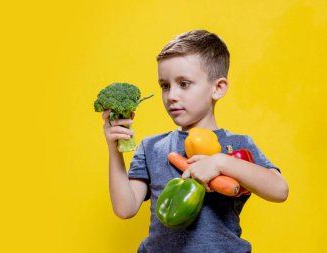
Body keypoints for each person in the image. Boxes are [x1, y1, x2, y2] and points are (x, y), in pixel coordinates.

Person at [101, 30, 289, 253]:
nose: (171, 95)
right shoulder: (152, 147)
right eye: (165, 85)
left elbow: (280, 190)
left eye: (184, 83)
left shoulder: (237, 145)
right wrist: (114, 149)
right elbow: (125, 208)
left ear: (217, 88)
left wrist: (221, 163)